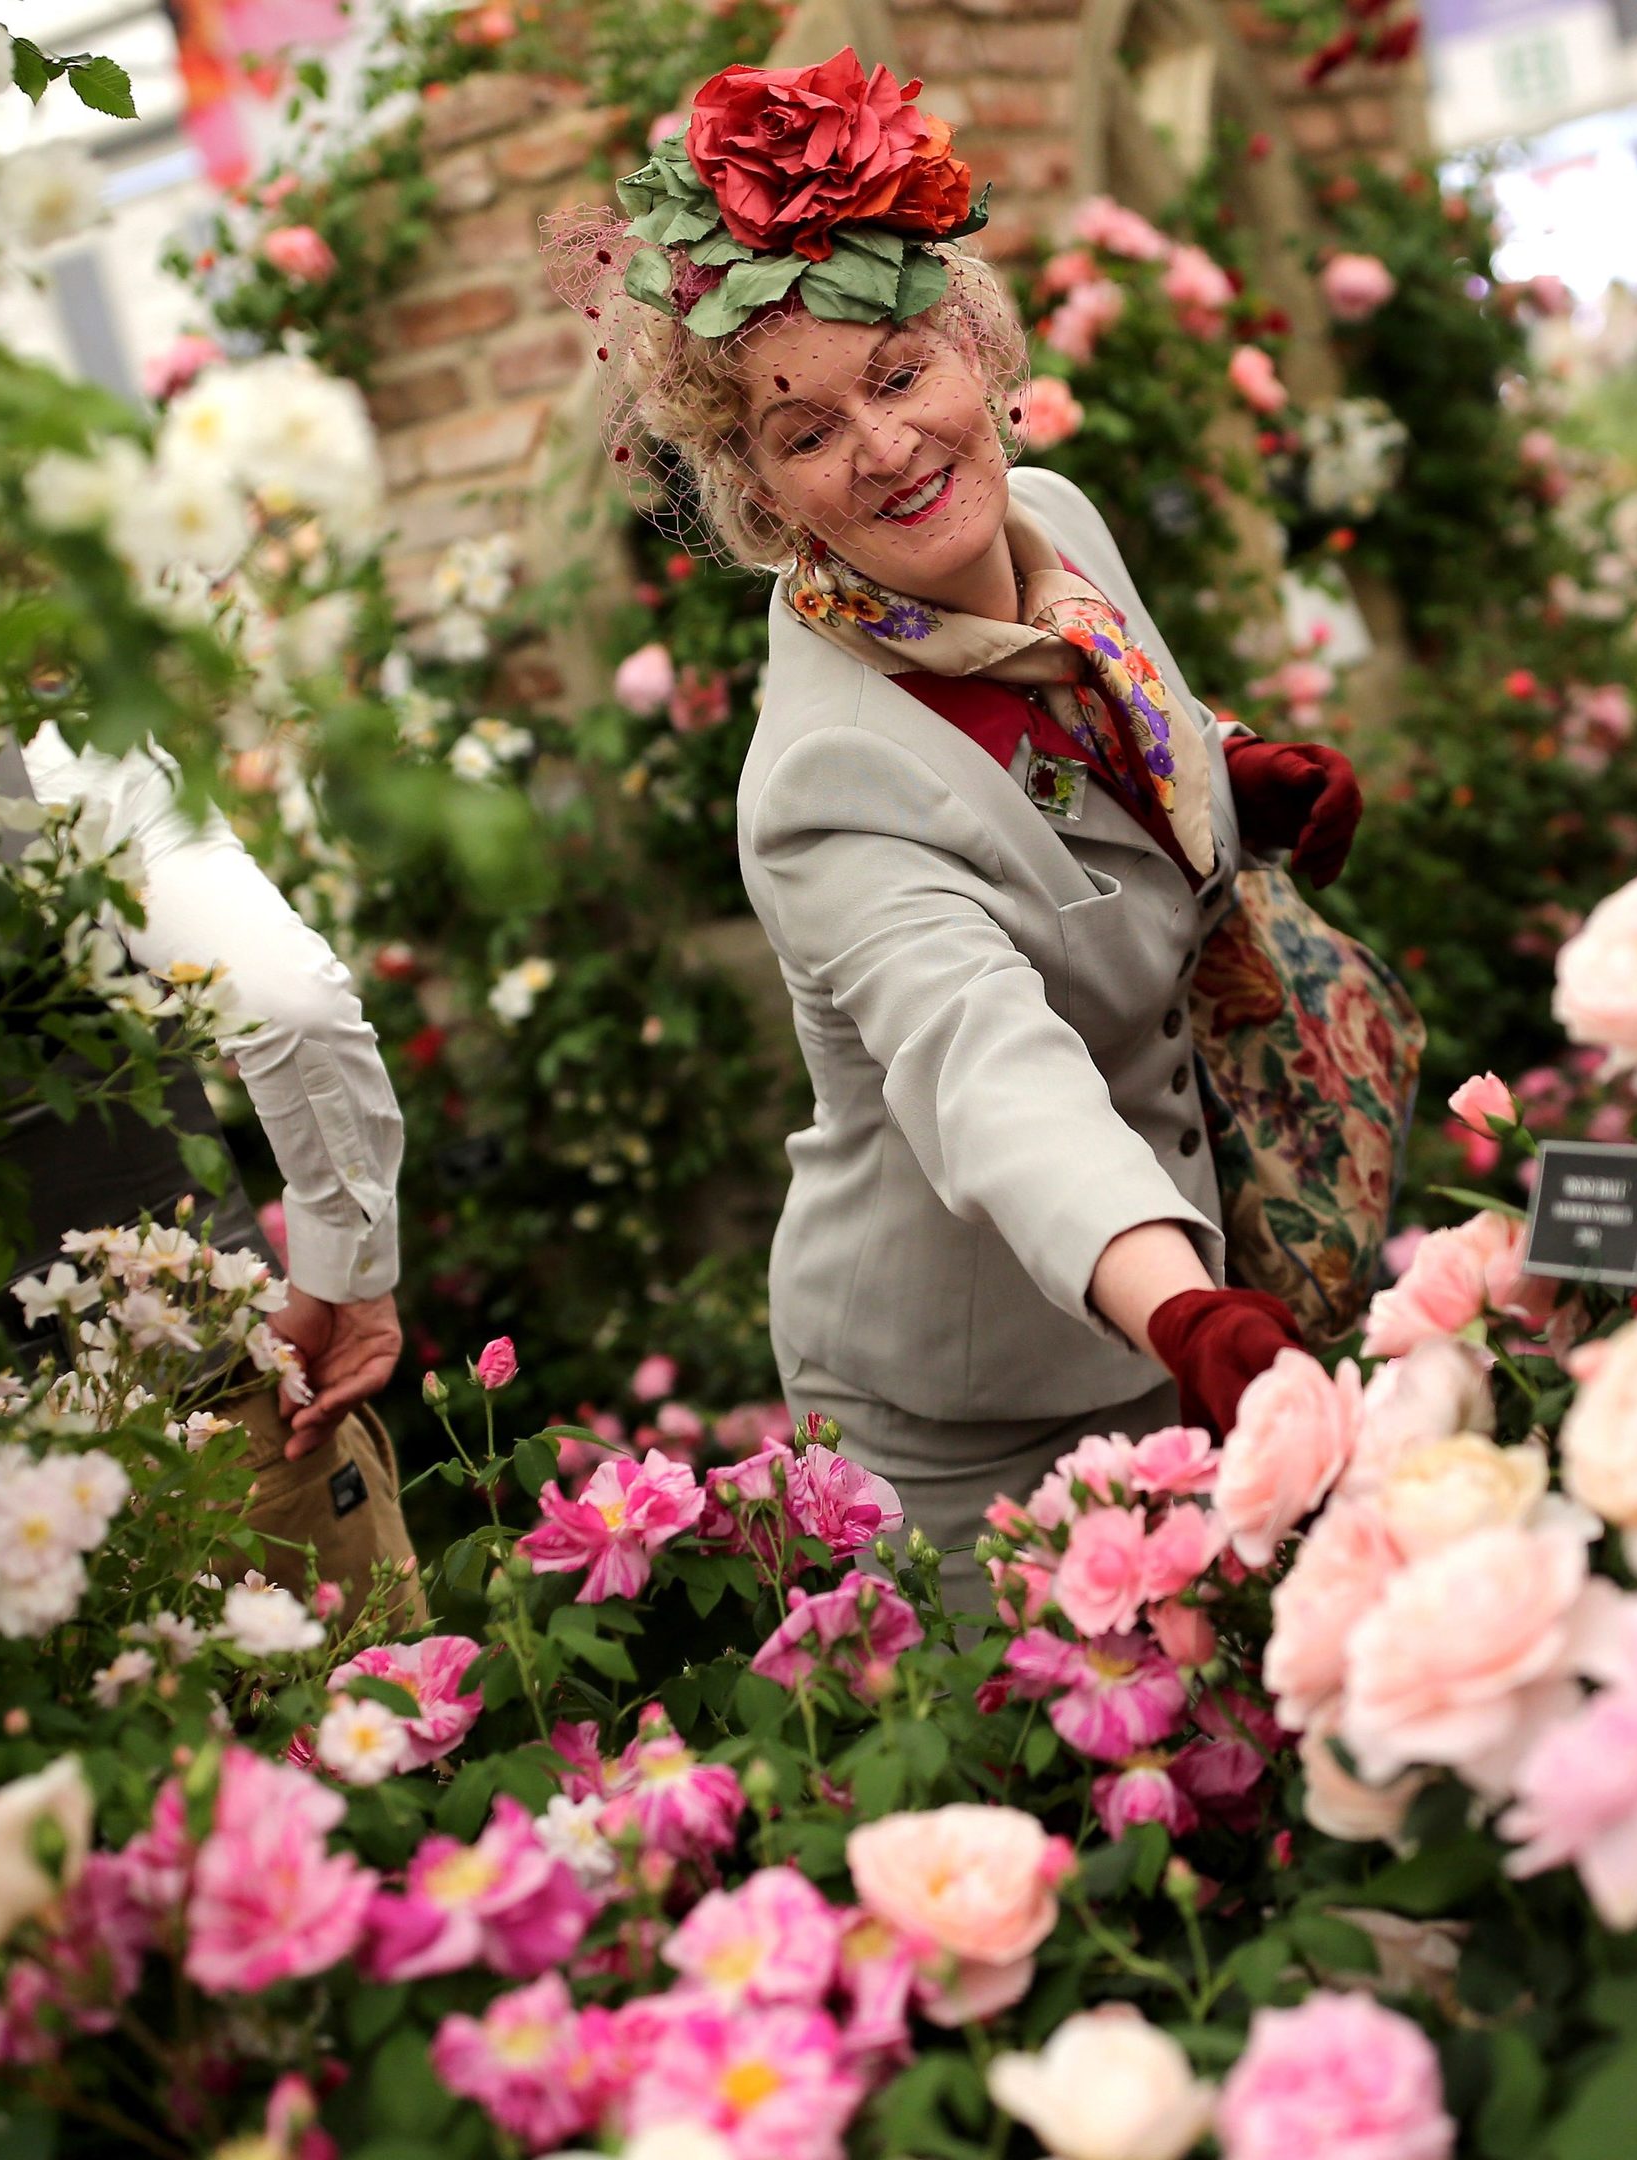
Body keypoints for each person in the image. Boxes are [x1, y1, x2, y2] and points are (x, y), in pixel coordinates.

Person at [563, 51, 1365, 1562]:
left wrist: (1231, 764)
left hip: (1170, 1293)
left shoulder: (1053, 520)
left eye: (897, 371)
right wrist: (1178, 1306)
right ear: (759, 492)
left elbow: (1116, 714)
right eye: (802, 433)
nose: (883, 444)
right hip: (976, 1421)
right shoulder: (828, 785)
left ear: (973, 348)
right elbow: (989, 1077)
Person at [0, 730, 419, 1610]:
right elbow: (291, 1007)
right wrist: (347, 1276)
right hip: (213, 1420)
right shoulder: (50, 744)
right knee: (371, 1728)